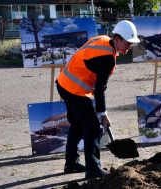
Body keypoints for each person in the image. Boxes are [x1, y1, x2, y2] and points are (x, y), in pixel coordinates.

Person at [56, 20, 140, 179]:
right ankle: (93, 168)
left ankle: (71, 164)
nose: (129, 47)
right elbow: (100, 89)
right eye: (127, 43)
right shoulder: (107, 58)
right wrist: (103, 115)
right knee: (93, 128)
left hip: (64, 83)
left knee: (78, 125)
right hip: (75, 90)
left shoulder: (102, 39)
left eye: (131, 44)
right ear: (116, 38)